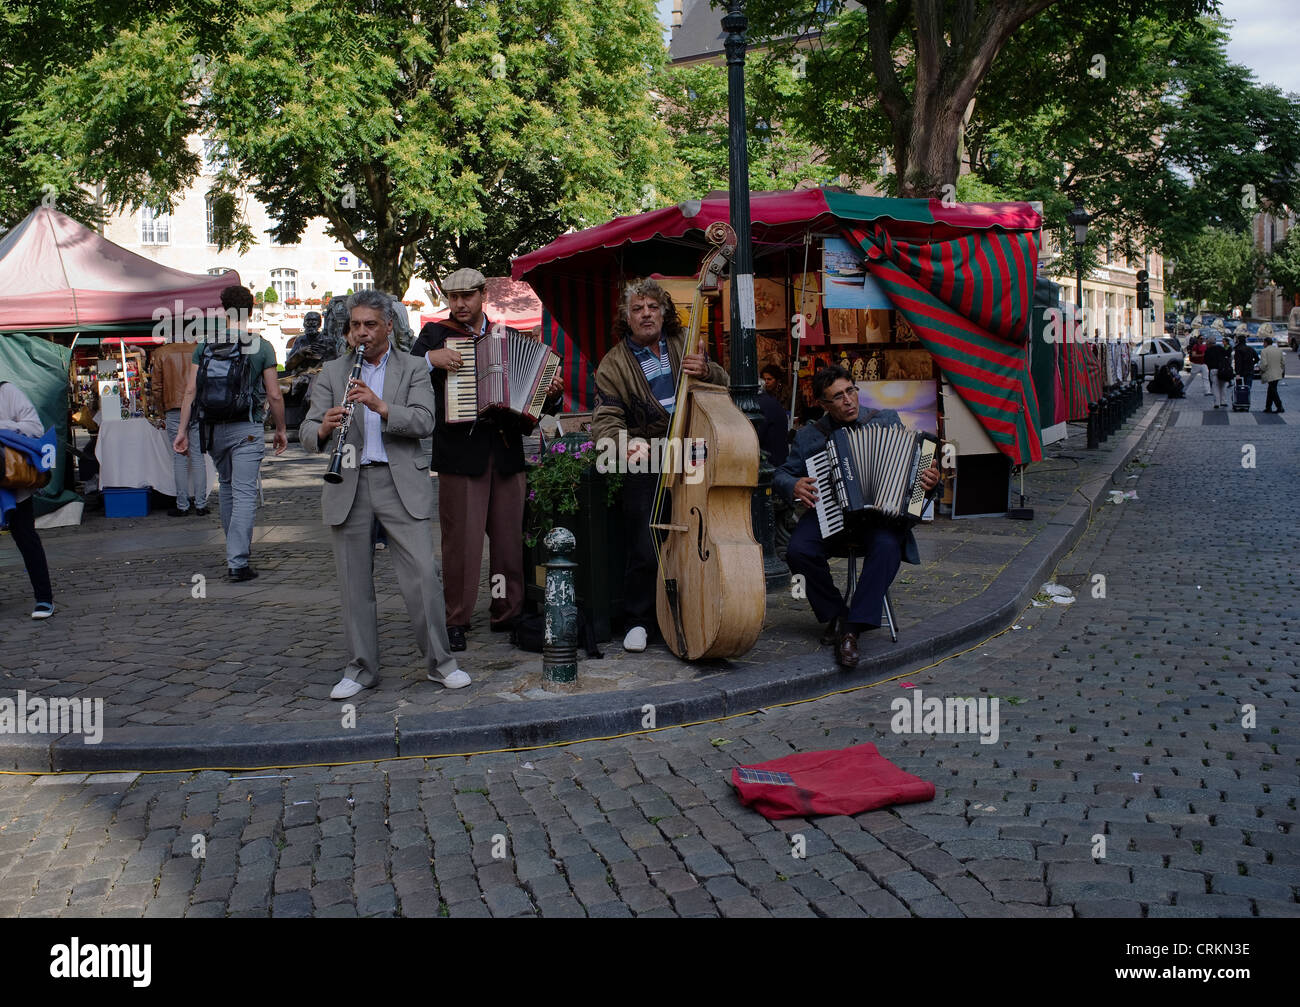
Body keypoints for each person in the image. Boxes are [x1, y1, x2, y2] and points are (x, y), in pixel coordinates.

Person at [300, 289, 469, 699]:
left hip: (399, 483)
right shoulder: (332, 372)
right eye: (355, 325)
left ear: (389, 326)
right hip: (349, 482)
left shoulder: (412, 368)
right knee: (354, 582)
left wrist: (381, 406)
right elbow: (305, 434)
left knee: (423, 578)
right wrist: (323, 428)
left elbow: (426, 421)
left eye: (370, 325)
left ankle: (440, 664)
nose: (361, 333)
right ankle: (360, 669)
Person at [411, 268, 561, 652]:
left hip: (506, 452)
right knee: (461, 542)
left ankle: (505, 611)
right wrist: (431, 359)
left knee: (509, 541)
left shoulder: (508, 338)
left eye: (467, 297)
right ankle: (456, 617)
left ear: (482, 296)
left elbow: (536, 402)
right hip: (461, 455)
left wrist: (551, 391)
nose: (459, 305)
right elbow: (406, 374)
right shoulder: (434, 336)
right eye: (453, 297)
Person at [592, 277, 729, 652]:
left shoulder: (683, 345)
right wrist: (625, 444)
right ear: (627, 317)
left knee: (698, 533)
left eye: (653, 306)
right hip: (646, 458)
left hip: (692, 451)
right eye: (637, 309)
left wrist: (707, 371)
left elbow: (724, 385)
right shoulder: (613, 365)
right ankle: (638, 619)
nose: (646, 313)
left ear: (664, 311)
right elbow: (605, 421)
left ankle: (698, 605)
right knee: (645, 539)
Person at [774, 365, 942, 669]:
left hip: (877, 516)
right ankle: (836, 614)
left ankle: (851, 627)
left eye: (850, 390)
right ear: (823, 405)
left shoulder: (886, 420)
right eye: (837, 397)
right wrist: (794, 484)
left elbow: (916, 471)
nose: (848, 400)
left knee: (888, 546)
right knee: (797, 550)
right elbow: (782, 474)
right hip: (829, 512)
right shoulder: (810, 436)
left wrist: (930, 480)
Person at [174, 285, 287, 580]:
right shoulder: (261, 346)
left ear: (224, 310)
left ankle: (234, 549)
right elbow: (274, 394)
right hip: (246, 428)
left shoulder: (205, 345)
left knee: (225, 485)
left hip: (212, 428)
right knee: (245, 492)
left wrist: (183, 430)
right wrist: (281, 429)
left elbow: (190, 390)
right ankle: (237, 561)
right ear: (250, 311)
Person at [0, 381, 54, 619]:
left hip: (13, 482)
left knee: (26, 538)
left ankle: (44, 598)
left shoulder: (6, 392)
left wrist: (2, 427)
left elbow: (34, 428)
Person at [150, 340, 208, 516]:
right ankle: (201, 505)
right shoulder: (199, 350)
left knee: (179, 458)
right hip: (198, 407)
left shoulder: (161, 353)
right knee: (198, 457)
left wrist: (161, 411)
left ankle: (182, 505)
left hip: (174, 408)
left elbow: (156, 388)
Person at [1203, 335, 1230, 409]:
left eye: (1207, 343)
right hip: (1222, 369)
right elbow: (1227, 354)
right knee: (1223, 386)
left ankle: (1217, 402)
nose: (1206, 345)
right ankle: (1223, 401)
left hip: (1213, 369)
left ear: (1209, 343)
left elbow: (1205, 360)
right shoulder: (1220, 348)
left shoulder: (1208, 351)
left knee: (1215, 386)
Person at [1260, 335, 1285, 413]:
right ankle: (1268, 407)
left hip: (1269, 373)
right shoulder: (1279, 350)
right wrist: (1280, 370)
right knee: (1271, 390)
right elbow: (1283, 363)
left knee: (1273, 390)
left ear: (1266, 343)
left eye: (1263, 343)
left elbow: (1264, 364)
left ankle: (1279, 406)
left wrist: (1262, 370)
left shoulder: (1264, 351)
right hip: (1277, 373)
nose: (1262, 344)